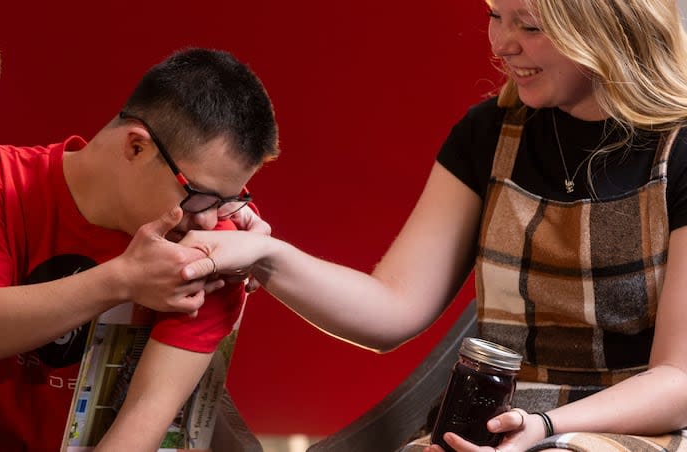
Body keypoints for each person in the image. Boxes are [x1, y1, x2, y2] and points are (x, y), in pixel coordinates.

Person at [178, 0, 687, 451]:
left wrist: (545, 425)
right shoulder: (487, 134)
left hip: (638, 428)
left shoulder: (679, 151)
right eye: (494, 16)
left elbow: (678, 382)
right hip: (492, 428)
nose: (502, 45)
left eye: (529, 26)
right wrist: (264, 256)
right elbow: (392, 309)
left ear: (605, 25)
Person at [0, 47, 278, 451]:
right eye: (201, 195)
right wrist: (124, 280)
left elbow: (146, 417)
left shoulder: (212, 250)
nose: (208, 220)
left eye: (227, 198)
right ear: (137, 147)